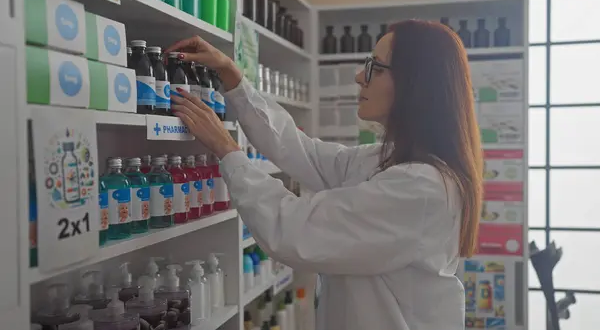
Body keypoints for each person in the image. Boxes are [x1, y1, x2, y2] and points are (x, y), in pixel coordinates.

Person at [165, 19, 483, 330]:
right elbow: (301, 150)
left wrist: (227, 149)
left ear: (415, 84)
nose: (360, 77)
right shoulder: (384, 161)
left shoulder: (421, 188)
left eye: (375, 67)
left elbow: (294, 229)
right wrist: (234, 79)